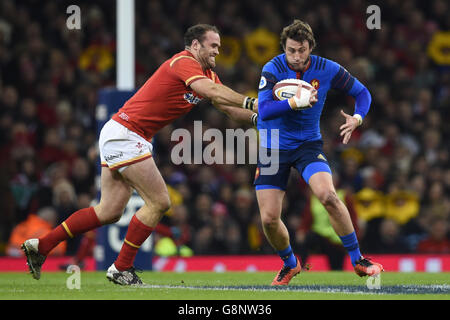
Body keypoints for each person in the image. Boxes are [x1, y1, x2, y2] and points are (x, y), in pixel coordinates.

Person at [21, 24, 258, 285]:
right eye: (213, 45)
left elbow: (229, 108)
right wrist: (252, 100)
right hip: (127, 134)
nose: (218, 51)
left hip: (126, 134)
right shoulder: (183, 62)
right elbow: (213, 93)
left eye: (219, 46)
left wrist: (261, 117)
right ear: (194, 46)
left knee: (109, 210)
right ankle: (121, 268)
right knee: (159, 202)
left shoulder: (209, 75)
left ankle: (41, 246)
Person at [255, 20, 383, 285]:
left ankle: (359, 260)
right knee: (269, 219)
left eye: (302, 50)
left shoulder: (328, 68)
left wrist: (358, 118)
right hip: (272, 146)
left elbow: (362, 93)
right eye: (291, 50)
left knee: (329, 196)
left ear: (310, 47)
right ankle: (290, 264)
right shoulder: (273, 68)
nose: (297, 56)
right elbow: (265, 110)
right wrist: (295, 102)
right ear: (284, 49)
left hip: (307, 145)